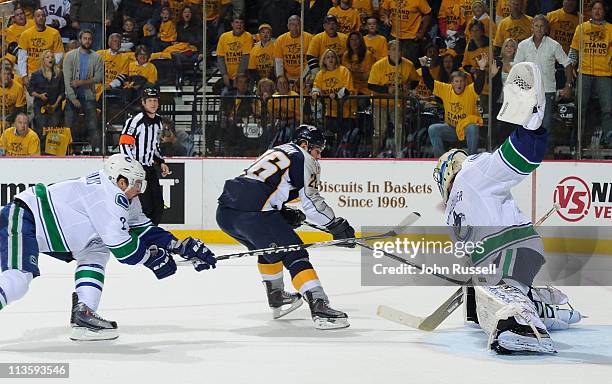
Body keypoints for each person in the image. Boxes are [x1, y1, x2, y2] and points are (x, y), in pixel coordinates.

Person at [432, 62, 582, 354]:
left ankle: (522, 323)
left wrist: (531, 128)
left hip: (510, 250)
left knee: (505, 289)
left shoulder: (465, 185)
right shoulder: (461, 191)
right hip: (508, 251)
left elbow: (515, 159)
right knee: (492, 289)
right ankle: (545, 308)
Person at [0, 154, 216, 340]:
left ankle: (84, 312)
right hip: (23, 218)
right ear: (121, 181)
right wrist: (152, 258)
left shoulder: (123, 194)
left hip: (50, 233)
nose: (139, 190)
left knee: (97, 247)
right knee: (18, 280)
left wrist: (178, 246)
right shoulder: (108, 196)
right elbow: (124, 249)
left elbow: (143, 228)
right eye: (136, 184)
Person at [216, 124, 355, 330]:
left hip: (226, 214)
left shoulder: (278, 150)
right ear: (304, 144)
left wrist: (280, 212)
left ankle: (277, 296)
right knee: (294, 252)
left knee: (270, 249)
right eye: (317, 150)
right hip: (254, 213)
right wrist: (334, 224)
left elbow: (261, 184)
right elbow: (311, 201)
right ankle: (319, 306)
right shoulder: (303, 157)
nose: (318, 156)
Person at [514, 15, 573, 137]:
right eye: (536, 26)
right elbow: (517, 68)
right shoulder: (523, 45)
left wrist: (568, 85)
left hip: (547, 91)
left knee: (546, 125)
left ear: (546, 28)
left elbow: (567, 64)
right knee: (527, 124)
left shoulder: (554, 45)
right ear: (531, 28)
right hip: (528, 91)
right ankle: (528, 154)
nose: (539, 29)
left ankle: (547, 154)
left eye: (542, 26)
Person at [119, 88, 170, 225]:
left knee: (159, 206)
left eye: (155, 100)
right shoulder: (136, 121)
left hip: (149, 169)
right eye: (150, 101)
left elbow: (154, 146)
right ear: (143, 102)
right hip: (136, 172)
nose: (153, 103)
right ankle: (142, 236)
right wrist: (132, 168)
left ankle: (151, 235)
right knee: (146, 207)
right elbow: (124, 144)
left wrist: (161, 162)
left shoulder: (159, 121)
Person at [422, 52, 487, 156]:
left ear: (465, 83)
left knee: (473, 127)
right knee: (433, 129)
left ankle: (471, 159)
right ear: (451, 83)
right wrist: (424, 67)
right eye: (456, 81)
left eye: (461, 81)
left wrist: (482, 69)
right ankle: (441, 159)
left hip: (466, 129)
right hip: (451, 128)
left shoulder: (470, 91)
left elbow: (479, 84)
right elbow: (430, 83)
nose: (459, 84)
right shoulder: (446, 89)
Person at [569, 0, 611, 146]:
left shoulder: (611, 29)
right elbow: (574, 51)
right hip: (585, 72)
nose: (597, 11)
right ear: (590, 11)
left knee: (608, 108)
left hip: (604, 73)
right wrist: (571, 67)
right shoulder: (582, 28)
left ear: (604, 11)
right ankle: (577, 139)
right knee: (580, 107)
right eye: (595, 9)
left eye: (600, 9)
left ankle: (608, 138)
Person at [367, 39, 420, 156]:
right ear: (388, 51)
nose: (397, 52)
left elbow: (415, 81)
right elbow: (371, 85)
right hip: (380, 102)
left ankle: (399, 153)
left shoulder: (408, 65)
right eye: (394, 49)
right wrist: (386, 89)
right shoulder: (378, 65)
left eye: (399, 50)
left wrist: (409, 85)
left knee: (399, 127)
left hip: (398, 102)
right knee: (379, 130)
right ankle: (375, 153)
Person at [63, 29, 104, 154]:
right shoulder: (70, 56)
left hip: (89, 96)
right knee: (68, 126)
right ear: (80, 40)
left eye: (89, 39)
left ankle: (97, 152)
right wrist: (72, 98)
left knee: (92, 126)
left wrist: (80, 82)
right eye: (85, 38)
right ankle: (68, 152)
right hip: (72, 96)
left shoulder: (97, 57)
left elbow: (98, 78)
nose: (87, 41)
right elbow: (67, 79)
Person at [17, 8, 64, 87]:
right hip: (32, 74)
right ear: (34, 18)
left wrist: (50, 69)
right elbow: (22, 58)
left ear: (46, 18)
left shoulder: (54, 33)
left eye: (43, 15)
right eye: (38, 16)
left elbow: (59, 54)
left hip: (49, 74)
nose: (41, 17)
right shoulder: (26, 34)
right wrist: (24, 75)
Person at [380, 0, 431, 66]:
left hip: (412, 37)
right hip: (394, 35)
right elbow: (385, 8)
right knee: (393, 63)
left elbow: (428, 14)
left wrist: (422, 33)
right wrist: (386, 17)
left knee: (412, 64)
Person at [28, 49, 64, 142]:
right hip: (40, 106)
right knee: (41, 130)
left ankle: (52, 154)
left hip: (55, 107)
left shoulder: (59, 74)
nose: (50, 59)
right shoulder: (36, 74)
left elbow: (62, 92)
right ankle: (41, 153)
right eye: (47, 57)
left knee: (53, 132)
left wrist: (55, 105)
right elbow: (31, 90)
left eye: (52, 57)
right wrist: (40, 96)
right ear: (43, 60)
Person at [274, 15, 313, 88]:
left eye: (297, 24)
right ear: (288, 26)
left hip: (306, 75)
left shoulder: (310, 38)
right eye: (292, 24)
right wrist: (282, 80)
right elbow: (279, 62)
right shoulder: (280, 40)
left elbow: (311, 62)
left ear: (301, 25)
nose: (295, 27)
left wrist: (302, 78)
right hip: (287, 77)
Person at [217, 16, 253, 93]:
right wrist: (224, 74)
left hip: (243, 77)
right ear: (232, 24)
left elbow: (245, 58)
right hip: (228, 77)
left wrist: (237, 78)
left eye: (241, 23)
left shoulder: (248, 36)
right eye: (236, 22)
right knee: (225, 97)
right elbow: (220, 57)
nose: (239, 25)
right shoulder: (224, 37)